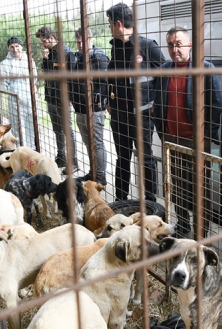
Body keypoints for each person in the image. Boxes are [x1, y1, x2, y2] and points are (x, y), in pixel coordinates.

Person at [152, 26, 222, 237]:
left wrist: (206, 135)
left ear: (190, 45)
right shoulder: (164, 70)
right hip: (172, 140)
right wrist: (162, 132)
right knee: (178, 188)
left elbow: (217, 105)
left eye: (179, 44)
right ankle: (183, 226)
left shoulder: (205, 69)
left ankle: (202, 231)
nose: (175, 49)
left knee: (201, 190)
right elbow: (158, 101)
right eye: (171, 45)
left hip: (196, 141)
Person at [105, 2, 165, 202]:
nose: (109, 27)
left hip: (142, 117)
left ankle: (150, 202)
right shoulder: (116, 49)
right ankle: (120, 201)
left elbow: (165, 78)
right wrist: (108, 101)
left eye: (109, 23)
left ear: (118, 24)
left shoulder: (148, 48)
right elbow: (111, 78)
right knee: (122, 159)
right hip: (120, 117)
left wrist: (156, 107)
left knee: (146, 160)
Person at [35, 25, 79, 174]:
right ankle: (61, 156)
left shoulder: (66, 53)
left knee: (67, 130)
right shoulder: (49, 53)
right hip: (51, 97)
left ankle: (73, 162)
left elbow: (72, 78)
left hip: (62, 98)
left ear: (51, 38)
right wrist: (45, 60)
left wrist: (69, 97)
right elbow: (48, 74)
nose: (43, 44)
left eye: (43, 41)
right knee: (57, 130)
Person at [71, 27, 109, 186]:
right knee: (88, 143)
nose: (80, 45)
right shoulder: (78, 58)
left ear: (91, 40)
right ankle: (93, 171)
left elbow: (102, 83)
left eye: (83, 42)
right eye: (78, 42)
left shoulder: (99, 59)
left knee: (97, 143)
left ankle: (100, 176)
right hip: (80, 109)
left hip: (95, 109)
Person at [0, 36, 38, 150]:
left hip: (31, 99)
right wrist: (13, 89)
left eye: (17, 46)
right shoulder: (5, 64)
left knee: (33, 126)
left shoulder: (29, 60)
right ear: (8, 48)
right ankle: (21, 151)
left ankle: (33, 150)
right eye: (11, 47)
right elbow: (2, 84)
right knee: (18, 129)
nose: (15, 49)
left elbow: (34, 78)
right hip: (16, 102)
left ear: (21, 46)